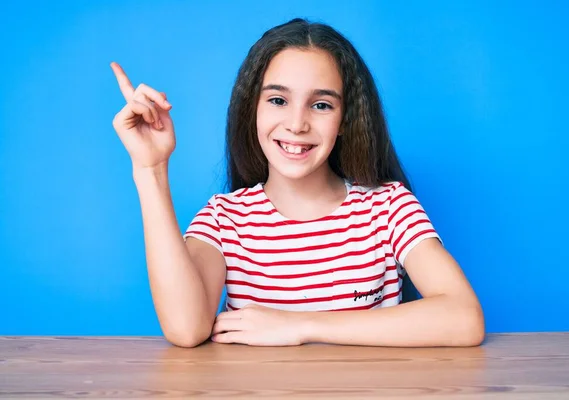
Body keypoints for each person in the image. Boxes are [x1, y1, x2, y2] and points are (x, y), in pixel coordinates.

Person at [110, 18, 484, 348]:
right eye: (277, 100)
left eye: (321, 105)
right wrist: (150, 168)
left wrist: (298, 325)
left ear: (345, 121)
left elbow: (464, 318)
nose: (296, 124)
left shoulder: (388, 208)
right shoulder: (224, 219)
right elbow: (185, 329)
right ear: (251, 109)